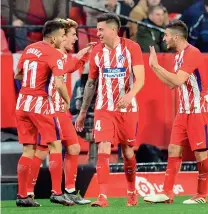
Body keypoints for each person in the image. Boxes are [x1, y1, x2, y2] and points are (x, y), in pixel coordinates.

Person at [75, 13, 145, 207]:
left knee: (128, 151)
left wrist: (130, 95)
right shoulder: (96, 52)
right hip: (104, 108)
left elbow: (141, 78)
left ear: (113, 30)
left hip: (128, 109)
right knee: (103, 148)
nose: (97, 33)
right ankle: (102, 196)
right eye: (97, 29)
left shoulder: (132, 48)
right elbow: (91, 84)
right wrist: (82, 113)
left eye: (100, 29)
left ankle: (131, 192)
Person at [26, 18, 95, 205]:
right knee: (42, 151)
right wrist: (64, 100)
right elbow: (55, 81)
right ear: (61, 37)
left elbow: (69, 66)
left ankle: (69, 190)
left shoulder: (60, 55)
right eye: (71, 35)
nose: (73, 38)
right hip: (50, 110)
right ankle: (31, 192)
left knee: (73, 148)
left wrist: (82, 55)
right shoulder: (51, 55)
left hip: (60, 112)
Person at [143, 20, 208, 204]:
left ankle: (202, 195)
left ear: (175, 36)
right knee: (173, 149)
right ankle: (167, 193)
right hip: (183, 111)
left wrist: (156, 66)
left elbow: (176, 81)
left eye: (166, 35)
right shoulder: (177, 57)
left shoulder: (192, 53)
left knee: (201, 153)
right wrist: (153, 67)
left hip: (198, 110)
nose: (164, 38)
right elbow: (170, 84)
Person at [14, 20, 73, 207]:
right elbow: (59, 83)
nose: (63, 39)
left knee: (28, 150)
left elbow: (17, 75)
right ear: (54, 37)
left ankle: (22, 196)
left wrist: (33, 80)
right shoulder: (54, 53)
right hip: (40, 104)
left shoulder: (29, 49)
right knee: (55, 145)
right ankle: (57, 192)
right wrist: (67, 100)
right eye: (62, 36)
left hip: (22, 103)